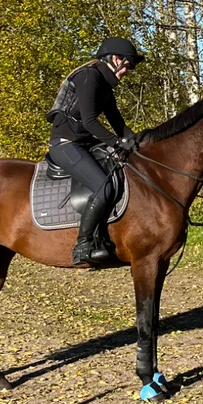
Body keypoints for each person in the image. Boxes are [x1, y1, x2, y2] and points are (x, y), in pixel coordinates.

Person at [47, 37, 144, 266]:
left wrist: (140, 143)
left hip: (84, 142)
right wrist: (116, 142)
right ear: (116, 59)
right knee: (103, 186)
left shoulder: (105, 86)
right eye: (128, 66)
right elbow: (90, 121)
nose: (127, 72)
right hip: (66, 142)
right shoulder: (90, 77)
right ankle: (83, 245)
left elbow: (119, 125)